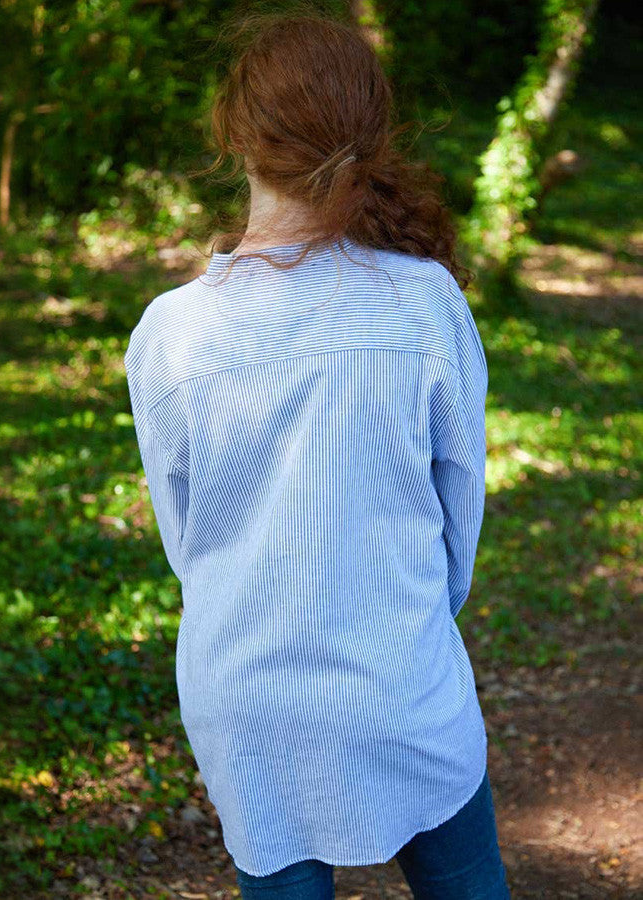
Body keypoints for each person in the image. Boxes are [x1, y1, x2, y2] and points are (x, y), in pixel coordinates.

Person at [124, 9, 511, 900]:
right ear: (370, 139)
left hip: (246, 702)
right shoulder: (422, 305)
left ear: (233, 135)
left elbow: (188, 545)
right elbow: (460, 522)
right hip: (400, 683)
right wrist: (403, 621)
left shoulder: (169, 336)